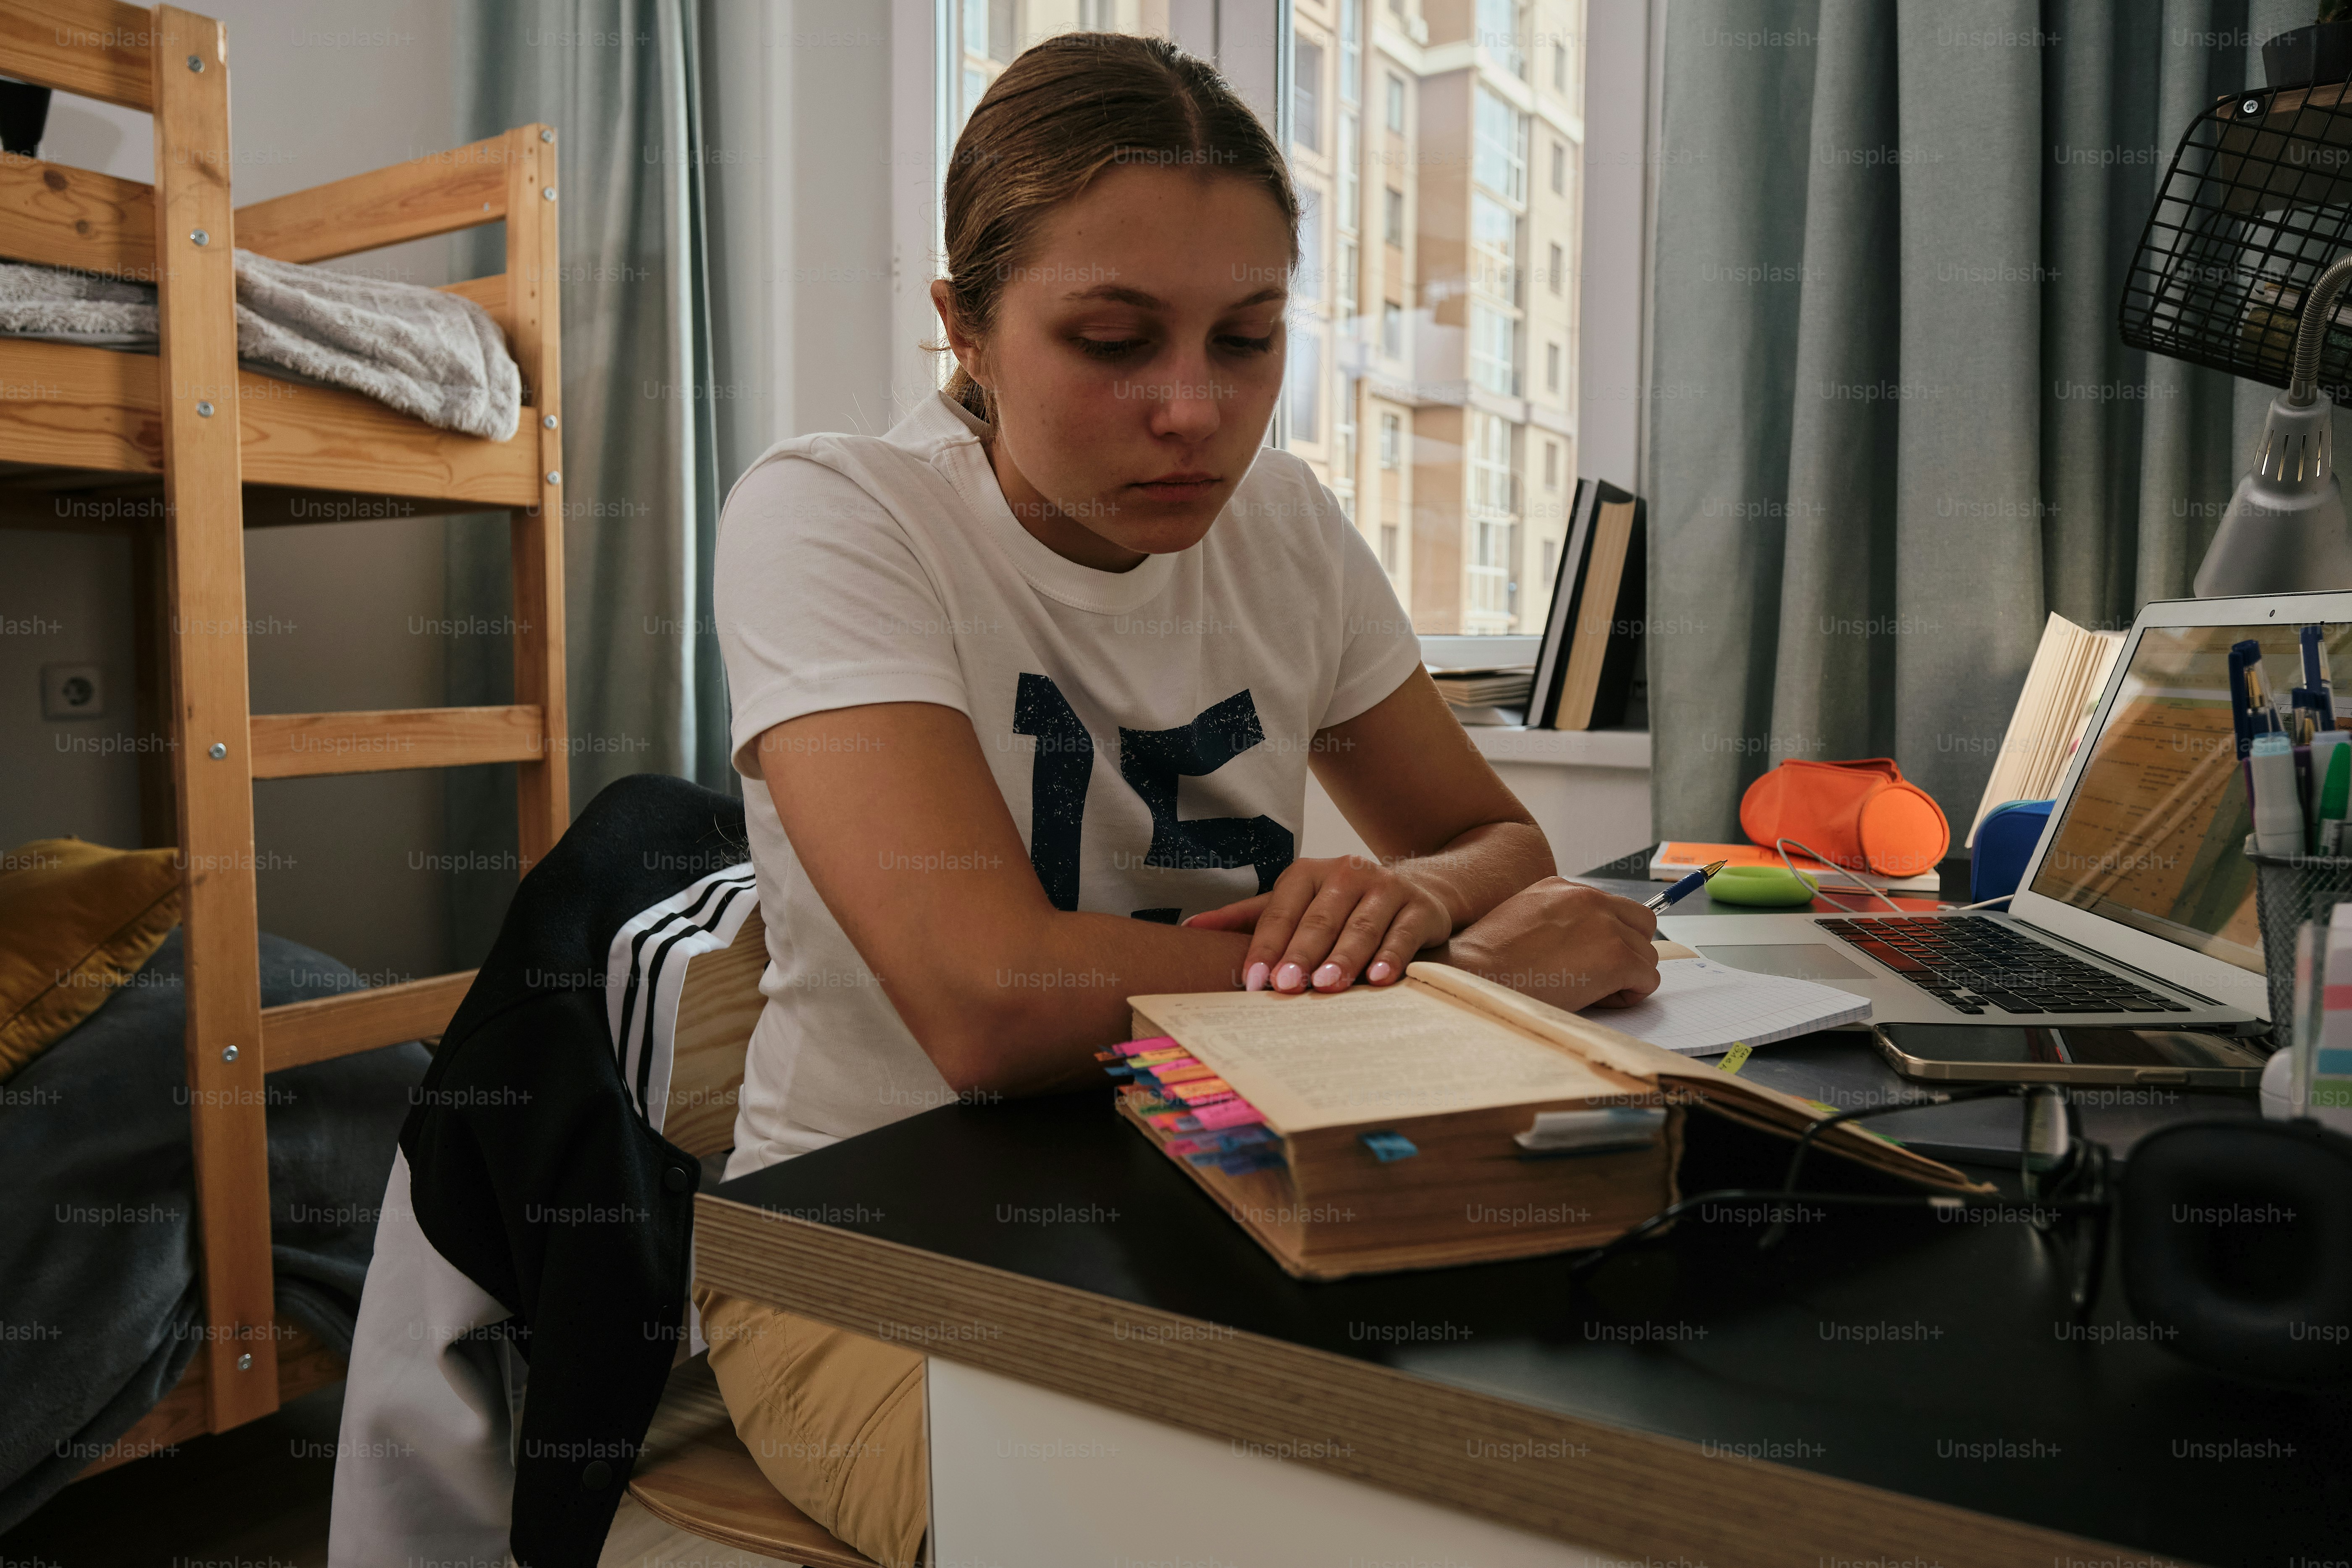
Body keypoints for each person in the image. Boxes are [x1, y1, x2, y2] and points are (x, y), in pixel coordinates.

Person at [695, 31, 1662, 1567]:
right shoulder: (830, 516)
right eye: (1110, 340)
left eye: (1247, 340)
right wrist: (1459, 971)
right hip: (876, 1253)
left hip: (1220, 1179)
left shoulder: (1287, 527)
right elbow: (994, 1006)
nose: (1193, 412)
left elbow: (1494, 837)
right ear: (965, 329)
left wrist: (1414, 896)